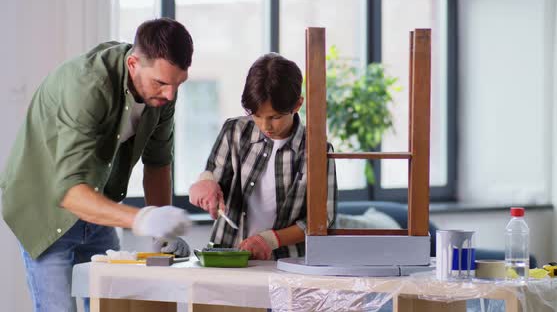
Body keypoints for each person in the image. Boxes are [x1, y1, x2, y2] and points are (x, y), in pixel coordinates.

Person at [0, 18, 194, 312]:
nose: (170, 95)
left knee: (113, 306)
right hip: (46, 212)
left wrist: (162, 234)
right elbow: (69, 191)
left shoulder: (164, 94)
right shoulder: (88, 85)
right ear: (133, 64)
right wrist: (143, 219)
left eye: (178, 84)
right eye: (162, 83)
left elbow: (158, 163)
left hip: (96, 208)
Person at [188, 53, 337, 260]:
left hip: (287, 262)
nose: (265, 126)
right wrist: (205, 183)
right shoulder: (235, 131)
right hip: (227, 255)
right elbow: (214, 177)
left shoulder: (316, 151)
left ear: (297, 105)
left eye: (275, 117)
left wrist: (270, 239)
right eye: (257, 116)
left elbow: (323, 219)